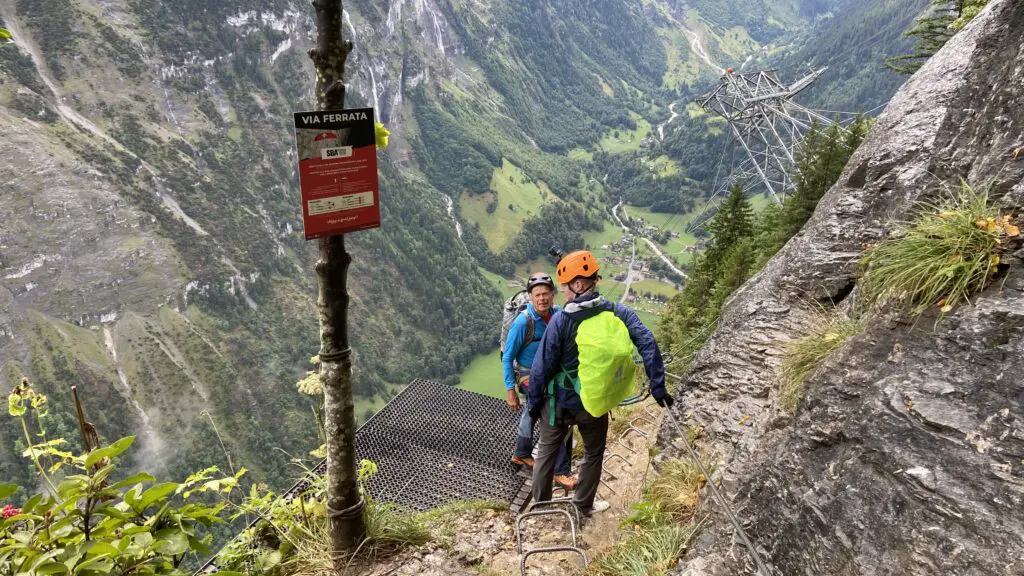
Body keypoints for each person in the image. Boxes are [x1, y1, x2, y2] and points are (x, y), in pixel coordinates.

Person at [527, 250, 673, 515]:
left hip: (558, 403)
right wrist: (658, 385)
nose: (563, 293)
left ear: (579, 284)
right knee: (593, 453)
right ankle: (583, 505)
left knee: (546, 455)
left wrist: (534, 404)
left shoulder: (561, 321)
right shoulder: (618, 312)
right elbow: (647, 342)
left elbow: (541, 369)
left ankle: (541, 509)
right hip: (594, 403)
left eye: (566, 287)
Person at [503, 272, 577, 490]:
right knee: (551, 411)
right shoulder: (523, 323)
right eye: (537, 295)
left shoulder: (557, 314)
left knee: (531, 410)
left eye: (546, 294)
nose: (542, 298)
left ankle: (521, 453)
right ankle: (560, 470)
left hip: (549, 373)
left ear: (553, 296)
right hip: (527, 375)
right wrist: (510, 390)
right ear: (530, 297)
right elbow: (508, 356)